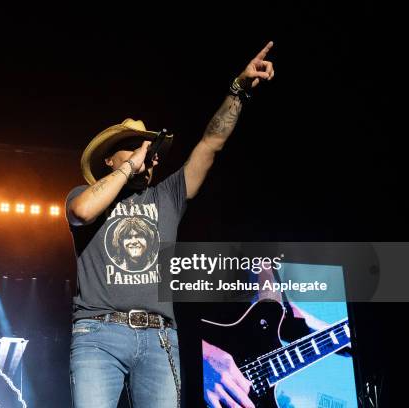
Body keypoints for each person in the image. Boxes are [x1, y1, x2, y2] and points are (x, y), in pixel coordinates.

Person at [65, 41, 276, 408]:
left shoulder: (166, 196)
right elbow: (82, 212)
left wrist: (238, 90)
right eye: (134, 147)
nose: (148, 156)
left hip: (159, 338)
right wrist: (135, 163)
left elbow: (211, 144)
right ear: (110, 160)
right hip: (97, 334)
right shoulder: (81, 194)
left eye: (150, 150)